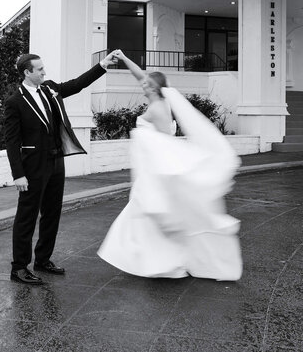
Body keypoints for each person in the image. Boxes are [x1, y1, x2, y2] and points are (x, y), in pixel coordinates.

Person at [98, 50, 243, 281]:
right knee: (145, 214)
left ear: (154, 88)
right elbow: (140, 75)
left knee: (150, 213)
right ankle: (150, 258)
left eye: (147, 84)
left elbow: (164, 139)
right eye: (144, 83)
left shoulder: (158, 108)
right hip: (149, 169)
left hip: (156, 170)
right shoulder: (156, 99)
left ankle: (160, 259)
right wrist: (124, 59)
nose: (142, 85)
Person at [5, 51, 118, 285]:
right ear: (27, 72)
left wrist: (102, 65)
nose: (44, 72)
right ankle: (19, 268)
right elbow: (12, 141)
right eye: (40, 70)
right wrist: (18, 174)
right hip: (33, 166)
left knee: (52, 213)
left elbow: (77, 85)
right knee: (27, 216)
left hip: (57, 162)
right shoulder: (15, 101)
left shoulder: (50, 89)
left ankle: (43, 259)